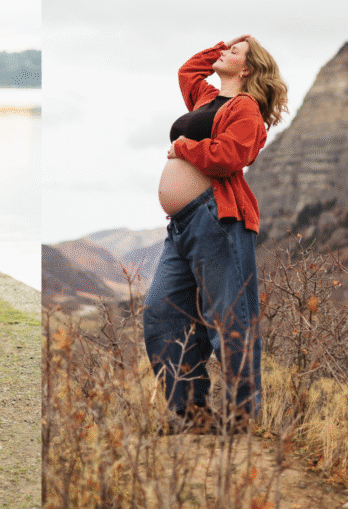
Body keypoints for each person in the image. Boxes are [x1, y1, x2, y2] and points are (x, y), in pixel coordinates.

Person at [143, 35, 287, 433]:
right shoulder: (206, 99)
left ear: (248, 70)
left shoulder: (246, 109)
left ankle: (242, 421)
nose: (223, 55)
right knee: (162, 314)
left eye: (235, 54)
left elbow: (230, 157)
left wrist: (187, 147)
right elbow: (188, 71)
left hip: (217, 220)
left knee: (229, 321)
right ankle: (194, 416)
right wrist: (228, 42)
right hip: (183, 226)